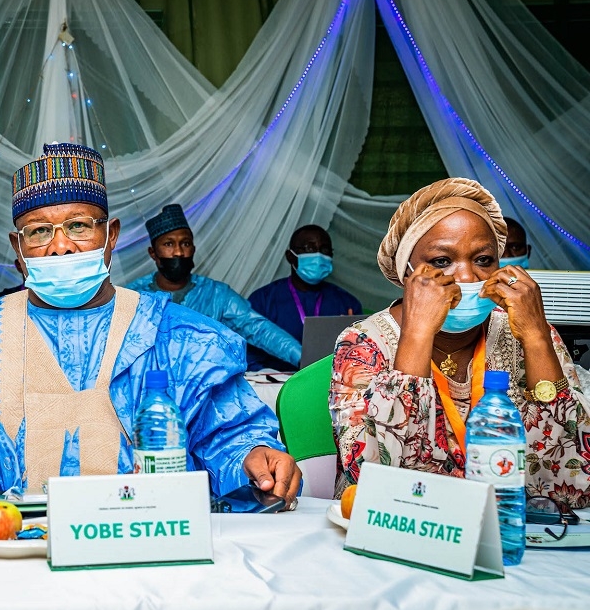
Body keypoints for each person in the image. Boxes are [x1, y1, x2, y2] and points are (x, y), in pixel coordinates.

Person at [0, 144, 300, 519]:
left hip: (150, 549)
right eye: (39, 232)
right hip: (12, 562)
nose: (60, 247)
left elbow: (230, 436)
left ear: (111, 235)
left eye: (78, 226)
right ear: (18, 246)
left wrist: (254, 459)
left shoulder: (182, 339)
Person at [330, 177, 590, 508]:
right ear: (406, 270)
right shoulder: (363, 344)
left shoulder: (526, 332)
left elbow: (573, 484)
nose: (467, 277)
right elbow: (382, 488)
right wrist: (418, 334)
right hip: (396, 545)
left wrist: (537, 338)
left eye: (483, 260)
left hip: (508, 537)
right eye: (442, 261)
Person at [125, 203, 301, 370]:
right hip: (150, 389)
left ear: (193, 249)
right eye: (168, 244)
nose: (178, 252)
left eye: (185, 243)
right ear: (153, 253)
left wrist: (303, 358)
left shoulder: (216, 294)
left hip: (205, 388)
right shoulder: (133, 296)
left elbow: (259, 328)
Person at [247, 224, 362, 371]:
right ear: (290, 256)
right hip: (274, 385)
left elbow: (361, 357)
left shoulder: (347, 303)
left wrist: (350, 336)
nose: (319, 255)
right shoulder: (262, 300)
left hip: (328, 384)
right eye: (309, 248)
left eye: (325, 249)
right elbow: (249, 356)